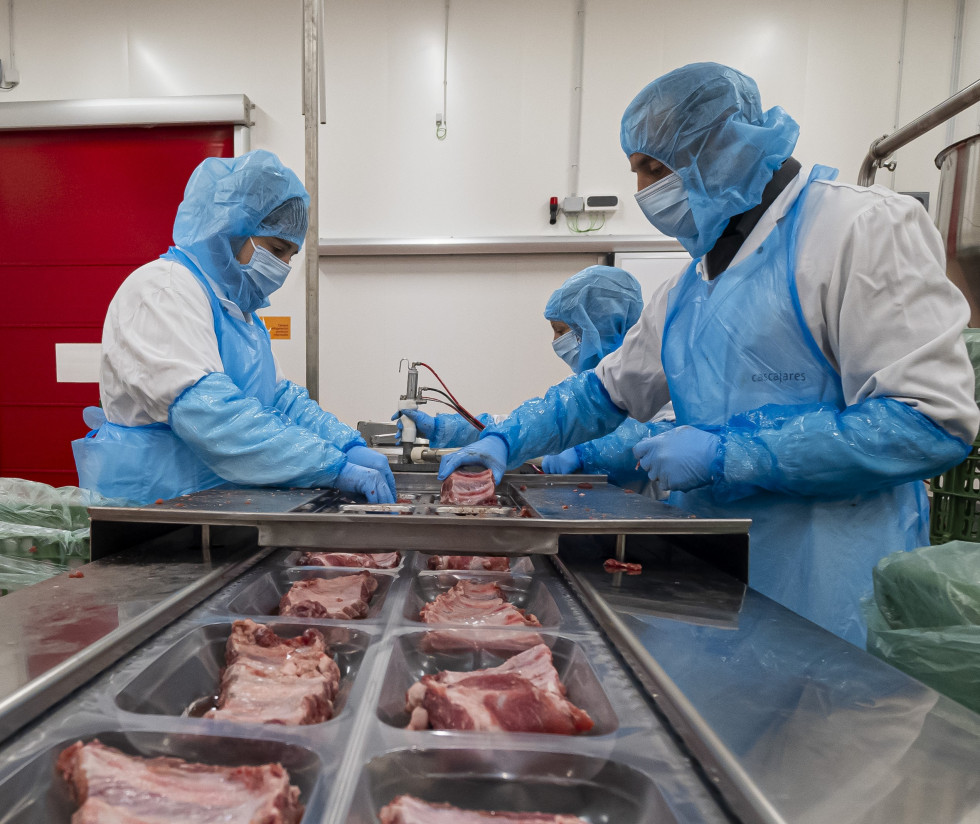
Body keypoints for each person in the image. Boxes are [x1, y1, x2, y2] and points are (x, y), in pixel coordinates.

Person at [438, 62, 980, 646]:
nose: (643, 192)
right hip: (714, 591)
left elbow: (929, 422)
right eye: (637, 172)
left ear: (723, 149)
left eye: (654, 168)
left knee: (831, 732)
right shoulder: (688, 289)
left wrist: (732, 453)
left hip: (835, 588)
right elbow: (601, 393)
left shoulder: (859, 228)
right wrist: (505, 440)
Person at [72, 150, 396, 506]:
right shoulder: (163, 289)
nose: (284, 266)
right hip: (155, 509)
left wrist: (347, 444)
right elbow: (208, 414)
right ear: (231, 230)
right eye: (276, 248)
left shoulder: (240, 313)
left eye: (291, 255)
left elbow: (281, 400)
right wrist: (331, 465)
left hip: (216, 508)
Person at [397, 266, 670, 490]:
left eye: (562, 330)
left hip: (649, 531)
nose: (556, 341)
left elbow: (657, 440)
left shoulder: (657, 369)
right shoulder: (594, 388)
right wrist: (444, 429)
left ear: (601, 326)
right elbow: (543, 421)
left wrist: (585, 452)